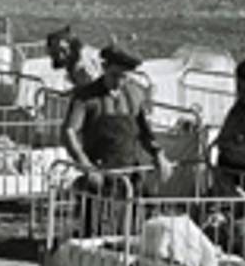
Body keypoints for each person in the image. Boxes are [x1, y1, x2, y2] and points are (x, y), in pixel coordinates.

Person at [62, 45, 172, 192]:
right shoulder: (85, 97)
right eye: (114, 75)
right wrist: (86, 165)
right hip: (98, 177)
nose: (119, 82)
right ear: (104, 67)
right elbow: (69, 132)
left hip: (131, 176)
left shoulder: (135, 93)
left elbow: (145, 131)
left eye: (124, 77)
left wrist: (159, 154)